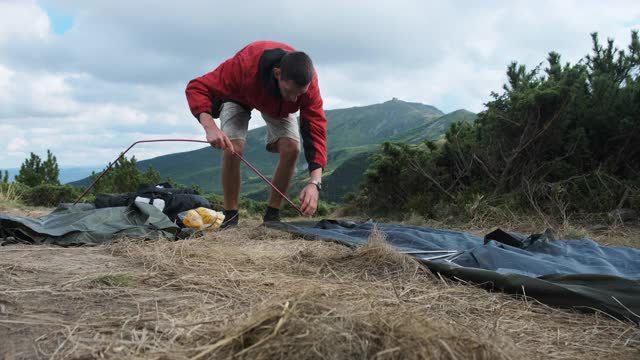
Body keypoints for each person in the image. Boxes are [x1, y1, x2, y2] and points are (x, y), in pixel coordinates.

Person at [185, 40, 327, 228]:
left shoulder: (307, 88)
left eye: (300, 94)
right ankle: (231, 216)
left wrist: (315, 182)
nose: (295, 99)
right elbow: (197, 87)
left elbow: (315, 129)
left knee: (292, 148)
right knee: (234, 147)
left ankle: (271, 217)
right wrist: (210, 126)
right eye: (290, 91)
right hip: (240, 96)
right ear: (277, 74)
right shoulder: (242, 66)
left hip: (278, 107)